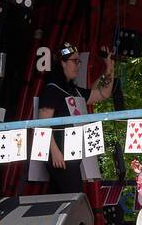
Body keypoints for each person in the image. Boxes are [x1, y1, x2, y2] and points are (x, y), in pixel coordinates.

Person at [38, 43, 116, 197]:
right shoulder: (51, 89)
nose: (78, 66)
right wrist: (55, 152)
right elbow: (42, 124)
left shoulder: (74, 91)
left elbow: (103, 94)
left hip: (74, 155)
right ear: (62, 62)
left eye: (79, 61)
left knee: (63, 200)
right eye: (75, 61)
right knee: (74, 198)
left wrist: (109, 68)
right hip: (60, 156)